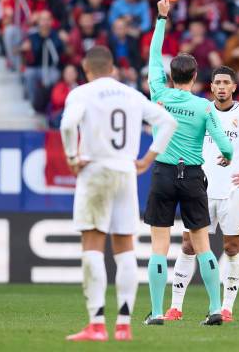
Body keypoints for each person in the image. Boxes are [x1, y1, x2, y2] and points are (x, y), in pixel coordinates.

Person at [61, 46, 177, 342]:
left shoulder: (82, 93)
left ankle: (97, 324)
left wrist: (72, 158)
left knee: (92, 245)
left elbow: (67, 124)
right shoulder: (131, 94)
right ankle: (124, 324)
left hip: (96, 170)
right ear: (112, 68)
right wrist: (147, 159)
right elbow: (167, 122)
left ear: (87, 70)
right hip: (126, 170)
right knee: (125, 249)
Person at [164, 65, 239, 323]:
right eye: (217, 82)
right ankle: (175, 307)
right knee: (188, 245)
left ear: (233, 87)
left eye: (225, 82)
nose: (220, 86)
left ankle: (226, 308)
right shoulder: (202, 110)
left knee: (231, 248)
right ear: (211, 86)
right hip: (200, 190)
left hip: (233, 193)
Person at [144, 0, 233, 326]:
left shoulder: (159, 94)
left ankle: (156, 312)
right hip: (193, 176)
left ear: (170, 75)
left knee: (159, 245)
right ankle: (214, 308)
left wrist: (161, 19)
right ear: (195, 76)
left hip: (164, 173)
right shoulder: (205, 106)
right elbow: (223, 143)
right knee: (202, 244)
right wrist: (228, 156)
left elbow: (154, 57)